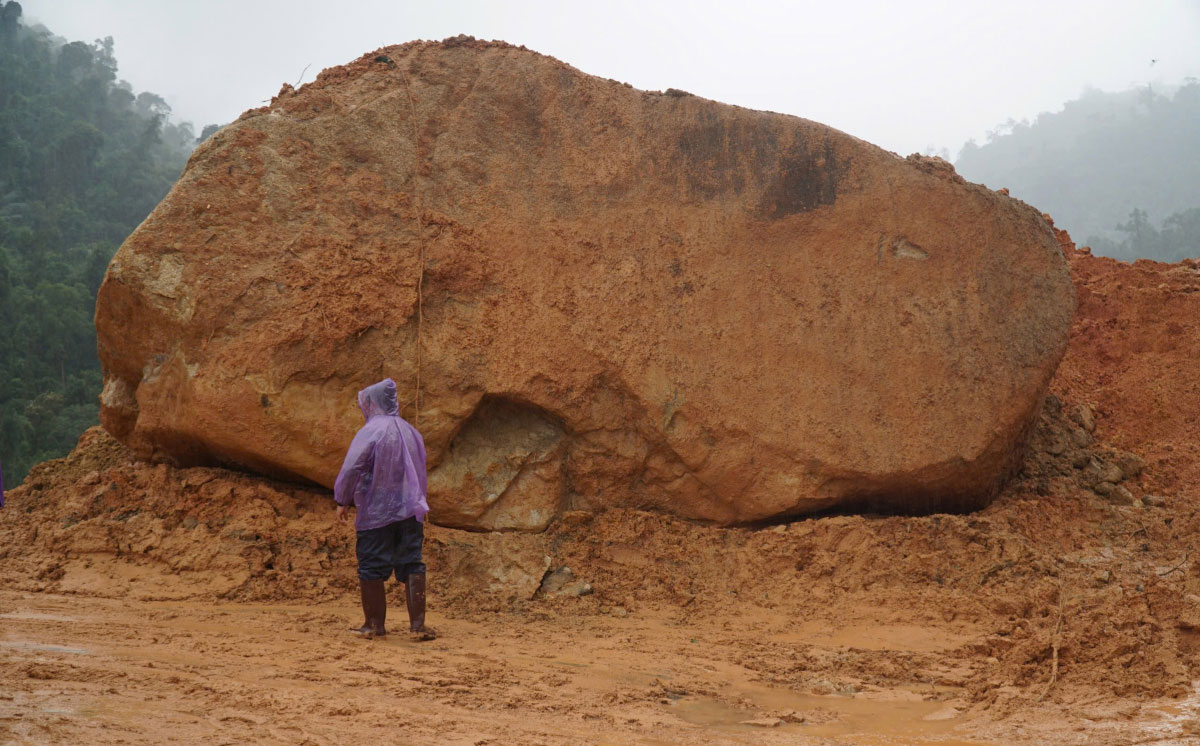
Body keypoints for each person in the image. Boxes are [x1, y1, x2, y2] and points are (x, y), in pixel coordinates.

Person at [333, 378, 435, 640]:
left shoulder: (371, 431)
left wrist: (342, 499)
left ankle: (374, 624)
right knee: (412, 562)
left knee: (370, 564)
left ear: (372, 403)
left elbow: (352, 467)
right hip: (410, 509)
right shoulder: (411, 431)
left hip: (377, 511)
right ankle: (418, 627)